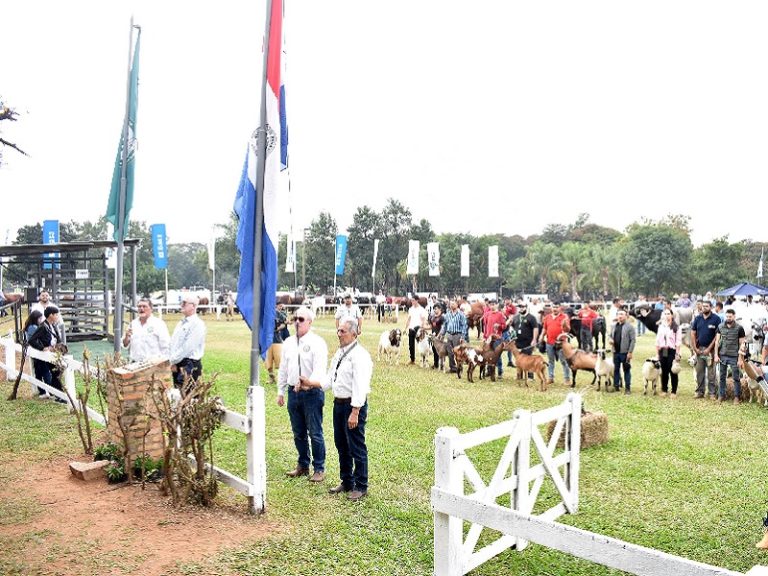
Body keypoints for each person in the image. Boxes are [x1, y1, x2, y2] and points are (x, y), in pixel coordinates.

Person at [321, 317, 372, 501]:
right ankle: (347, 481)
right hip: (339, 404)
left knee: (356, 445)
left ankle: (361, 485)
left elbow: (360, 385)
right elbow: (329, 379)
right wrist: (311, 384)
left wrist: (355, 411)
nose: (339, 334)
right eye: (338, 331)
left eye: (342, 331)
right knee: (341, 444)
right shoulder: (340, 353)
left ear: (354, 333)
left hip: (352, 405)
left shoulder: (360, 356)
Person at [278, 306, 328, 482]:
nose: (297, 322)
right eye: (295, 319)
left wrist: (307, 384)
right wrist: (281, 391)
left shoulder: (317, 342)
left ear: (309, 322)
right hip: (293, 393)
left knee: (315, 432)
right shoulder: (288, 342)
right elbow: (283, 367)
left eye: (301, 319)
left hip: (312, 393)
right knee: (298, 432)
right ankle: (303, 464)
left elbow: (320, 369)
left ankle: (319, 468)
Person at [27, 305, 66, 402]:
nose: (57, 316)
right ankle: (59, 395)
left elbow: (58, 339)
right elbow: (32, 340)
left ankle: (56, 393)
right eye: (56, 314)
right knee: (56, 372)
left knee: (57, 372)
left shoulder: (53, 325)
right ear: (50, 315)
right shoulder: (43, 327)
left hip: (55, 353)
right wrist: (42, 348)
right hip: (47, 355)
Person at [169, 294, 207, 390]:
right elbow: (174, 344)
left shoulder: (198, 324)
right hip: (178, 362)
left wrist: (172, 360)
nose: (181, 305)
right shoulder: (181, 323)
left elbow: (188, 348)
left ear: (193, 306)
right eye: (181, 302)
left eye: (184, 303)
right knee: (179, 395)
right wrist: (173, 362)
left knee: (188, 397)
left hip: (189, 365)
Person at [122, 298, 170, 363]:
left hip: (153, 365)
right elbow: (125, 344)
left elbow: (166, 345)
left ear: (151, 309)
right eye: (139, 306)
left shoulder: (159, 324)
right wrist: (126, 337)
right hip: (135, 363)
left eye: (144, 306)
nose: (141, 309)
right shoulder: (133, 324)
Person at [714, 308, 746, 404]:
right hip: (723, 355)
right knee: (722, 377)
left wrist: (740, 359)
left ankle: (737, 397)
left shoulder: (739, 328)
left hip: (734, 356)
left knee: (736, 377)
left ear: (734, 316)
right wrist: (716, 355)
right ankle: (721, 395)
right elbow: (716, 342)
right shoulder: (720, 326)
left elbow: (742, 345)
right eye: (727, 316)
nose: (728, 318)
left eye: (730, 316)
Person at [690, 300, 719, 399]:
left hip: (711, 351)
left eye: (706, 306)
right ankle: (700, 392)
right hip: (699, 349)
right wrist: (695, 348)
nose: (704, 308)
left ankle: (712, 393)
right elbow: (693, 333)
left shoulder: (716, 319)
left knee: (711, 373)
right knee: (699, 372)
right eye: (703, 306)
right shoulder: (697, 318)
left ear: (711, 307)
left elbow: (717, 336)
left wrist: (710, 348)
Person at [539, 303, 571, 385]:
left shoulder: (564, 317)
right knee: (550, 361)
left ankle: (567, 379)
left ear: (560, 308)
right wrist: (541, 336)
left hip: (561, 343)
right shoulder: (547, 317)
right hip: (549, 342)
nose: (555, 308)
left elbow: (568, 329)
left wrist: (565, 324)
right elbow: (545, 328)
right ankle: (551, 378)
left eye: (556, 307)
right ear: (551, 308)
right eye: (553, 307)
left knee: (564, 361)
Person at [655, 309, 682, 398]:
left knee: (673, 371)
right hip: (662, 351)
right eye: (665, 314)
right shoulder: (661, 327)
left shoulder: (676, 327)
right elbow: (658, 341)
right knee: (664, 371)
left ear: (672, 315)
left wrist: (677, 354)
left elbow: (678, 342)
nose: (667, 315)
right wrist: (657, 354)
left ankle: (673, 391)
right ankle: (664, 390)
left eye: (668, 314)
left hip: (672, 351)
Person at [610, 309, 636, 394]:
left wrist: (630, 352)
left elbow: (633, 340)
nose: (620, 316)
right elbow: (610, 336)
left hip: (625, 353)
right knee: (616, 370)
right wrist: (610, 339)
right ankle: (616, 386)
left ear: (626, 316)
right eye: (618, 314)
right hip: (615, 352)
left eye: (622, 314)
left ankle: (627, 388)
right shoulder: (614, 326)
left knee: (626, 370)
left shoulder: (630, 327)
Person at [511, 302, 539, 379]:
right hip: (517, 342)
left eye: (522, 307)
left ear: (526, 307)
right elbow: (512, 327)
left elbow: (535, 328)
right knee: (518, 359)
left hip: (528, 343)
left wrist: (534, 339)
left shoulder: (531, 317)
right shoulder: (516, 317)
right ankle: (519, 375)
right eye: (519, 307)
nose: (521, 308)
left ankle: (530, 376)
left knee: (528, 359)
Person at [439, 299, 467, 373]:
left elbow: (464, 325)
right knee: (450, 352)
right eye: (450, 304)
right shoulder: (447, 314)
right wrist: (442, 334)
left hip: (457, 335)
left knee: (458, 352)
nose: (451, 305)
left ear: (457, 305)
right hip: (449, 335)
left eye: (453, 304)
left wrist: (462, 337)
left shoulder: (461, 314)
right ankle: (452, 368)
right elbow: (445, 325)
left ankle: (459, 367)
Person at [265, 302, 290, 385]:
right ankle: (271, 378)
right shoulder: (265, 313)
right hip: (267, 340)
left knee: (280, 362)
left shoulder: (279, 313)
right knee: (268, 362)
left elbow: (286, 322)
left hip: (277, 340)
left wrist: (277, 328)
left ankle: (283, 379)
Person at [22, 310, 45, 397]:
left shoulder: (30, 326)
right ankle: (42, 390)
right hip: (36, 350)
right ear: (36, 318)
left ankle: (42, 390)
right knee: (40, 371)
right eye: (40, 318)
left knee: (38, 371)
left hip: (34, 350)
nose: (41, 319)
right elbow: (35, 340)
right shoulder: (33, 328)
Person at [483, 300, 506, 378]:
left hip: (497, 338)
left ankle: (500, 372)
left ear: (497, 305)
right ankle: (489, 371)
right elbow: (485, 326)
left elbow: (504, 326)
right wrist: (484, 336)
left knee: (497, 356)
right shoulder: (487, 314)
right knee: (487, 355)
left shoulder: (500, 315)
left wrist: (499, 326)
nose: (492, 306)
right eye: (491, 304)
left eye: (494, 304)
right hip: (488, 338)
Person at [404, 297, 428, 365]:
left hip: (418, 329)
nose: (412, 302)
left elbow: (424, 320)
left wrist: (422, 328)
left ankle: (423, 360)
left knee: (421, 344)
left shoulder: (421, 309)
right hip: (411, 328)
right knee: (411, 345)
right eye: (411, 301)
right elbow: (409, 319)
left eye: (413, 300)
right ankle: (412, 359)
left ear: (417, 300)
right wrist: (405, 328)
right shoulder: (411, 309)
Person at [429, 304, 445, 369]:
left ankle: (441, 365)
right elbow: (431, 326)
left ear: (440, 309)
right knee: (434, 349)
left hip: (439, 336)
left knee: (440, 351)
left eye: (436, 309)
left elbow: (443, 327)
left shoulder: (442, 317)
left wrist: (441, 335)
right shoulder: (432, 317)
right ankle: (435, 364)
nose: (435, 310)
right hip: (433, 336)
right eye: (434, 309)